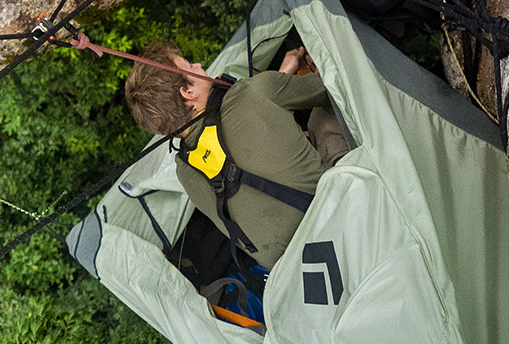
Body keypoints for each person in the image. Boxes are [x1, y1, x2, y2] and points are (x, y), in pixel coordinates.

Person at [124, 40, 351, 267]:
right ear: (188, 91)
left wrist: (281, 77)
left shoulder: (185, 171)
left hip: (297, 266)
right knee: (326, 111)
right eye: (190, 66)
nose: (199, 64)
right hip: (334, 211)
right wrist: (290, 79)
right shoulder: (247, 93)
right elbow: (331, 84)